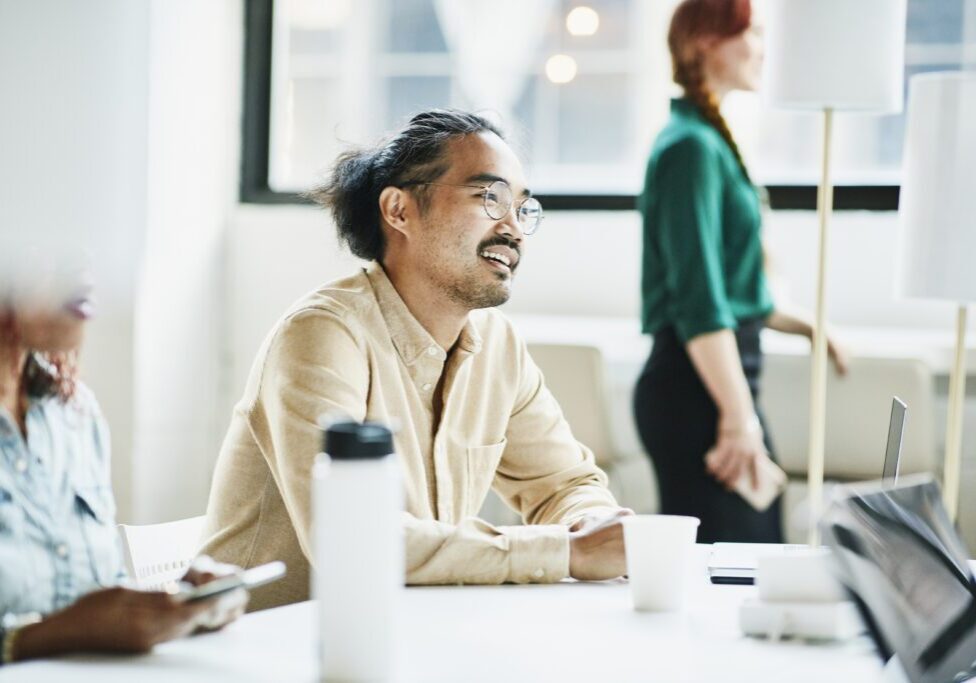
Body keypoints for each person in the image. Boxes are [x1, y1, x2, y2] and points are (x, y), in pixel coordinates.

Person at [201, 109, 631, 611]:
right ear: (399, 210)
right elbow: (352, 541)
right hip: (273, 653)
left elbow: (564, 484)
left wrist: (594, 528)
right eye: (490, 198)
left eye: (523, 207)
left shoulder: (497, 345)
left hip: (410, 639)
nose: (514, 229)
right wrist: (566, 552)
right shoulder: (322, 334)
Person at [633, 0, 847, 544]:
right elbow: (700, 303)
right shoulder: (689, 149)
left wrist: (808, 327)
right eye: (752, 34)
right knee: (733, 571)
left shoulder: (704, 141)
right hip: (697, 393)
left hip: (719, 388)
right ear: (707, 41)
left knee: (752, 554)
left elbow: (731, 289)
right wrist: (737, 418)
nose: (763, 50)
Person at [0, 261, 245, 665]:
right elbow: (79, 623)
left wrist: (173, 607)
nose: (84, 271)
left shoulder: (76, 414)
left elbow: (94, 599)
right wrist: (57, 633)